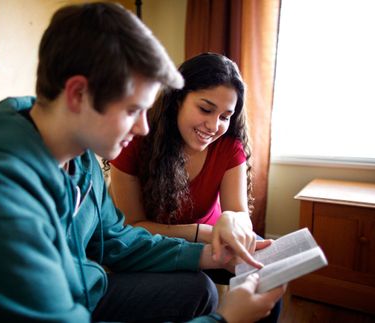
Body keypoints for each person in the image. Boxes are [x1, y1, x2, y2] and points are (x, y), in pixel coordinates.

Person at [0, 3, 285, 323]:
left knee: (200, 286)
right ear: (78, 94)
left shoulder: (79, 159)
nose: (144, 127)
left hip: (80, 289)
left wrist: (206, 254)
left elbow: (116, 238)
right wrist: (224, 321)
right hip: (55, 306)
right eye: (133, 109)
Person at [108, 52, 282, 321]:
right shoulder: (135, 143)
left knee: (269, 270)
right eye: (205, 109)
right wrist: (204, 232)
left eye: (225, 116)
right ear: (177, 99)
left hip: (212, 238)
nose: (214, 126)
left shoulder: (228, 148)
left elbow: (239, 214)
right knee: (198, 289)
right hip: (155, 244)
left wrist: (232, 223)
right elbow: (132, 226)